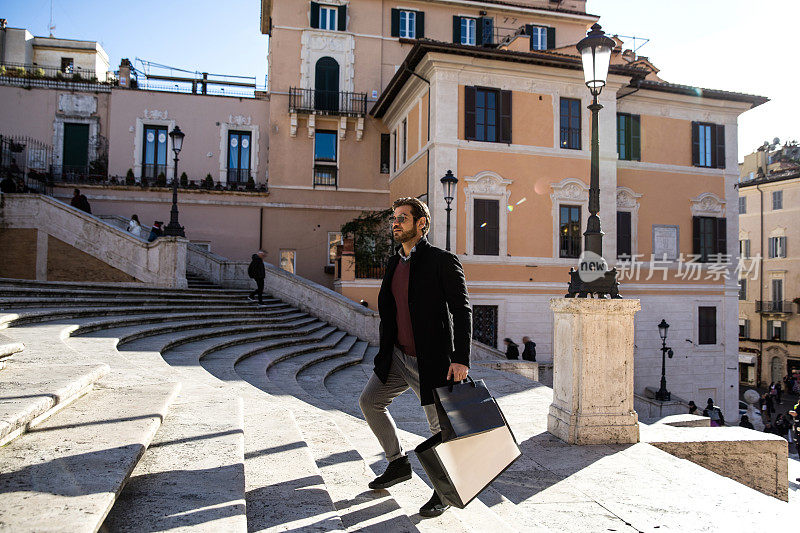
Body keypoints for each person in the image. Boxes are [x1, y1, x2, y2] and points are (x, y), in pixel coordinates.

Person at [359, 197, 471, 519]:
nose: (395, 223)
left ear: (421, 224)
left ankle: (445, 491)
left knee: (439, 428)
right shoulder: (395, 262)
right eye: (394, 218)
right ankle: (397, 463)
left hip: (431, 361)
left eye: (403, 218)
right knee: (370, 402)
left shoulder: (441, 261)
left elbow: (462, 310)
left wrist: (460, 358)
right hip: (396, 356)